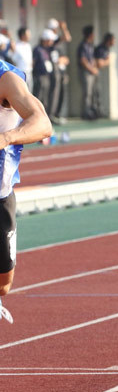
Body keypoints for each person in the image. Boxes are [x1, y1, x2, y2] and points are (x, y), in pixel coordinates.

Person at [0, 59, 54, 323]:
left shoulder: (7, 79)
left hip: (0, 193)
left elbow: (43, 125)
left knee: (3, 283)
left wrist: (6, 138)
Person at [77, 25, 100, 120]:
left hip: (92, 72)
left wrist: (95, 67)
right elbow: (83, 60)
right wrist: (92, 69)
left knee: (93, 92)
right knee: (87, 93)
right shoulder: (83, 45)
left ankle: (93, 110)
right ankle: (85, 112)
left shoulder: (90, 45)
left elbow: (92, 58)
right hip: (85, 72)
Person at [11, 28, 34, 92]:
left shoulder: (28, 45)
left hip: (29, 73)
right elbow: (13, 59)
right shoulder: (16, 46)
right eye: (28, 34)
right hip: (20, 74)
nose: (29, 36)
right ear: (22, 35)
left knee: (30, 93)